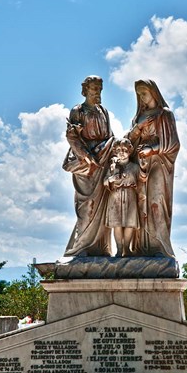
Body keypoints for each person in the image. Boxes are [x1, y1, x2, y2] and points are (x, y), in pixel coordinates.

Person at [126, 79, 180, 257]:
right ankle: (142, 248)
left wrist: (153, 149)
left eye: (144, 92)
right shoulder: (138, 117)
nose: (142, 97)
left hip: (158, 163)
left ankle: (160, 247)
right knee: (140, 202)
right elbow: (128, 143)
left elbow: (173, 144)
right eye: (139, 94)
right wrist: (137, 130)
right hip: (140, 164)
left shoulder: (165, 114)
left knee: (156, 202)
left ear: (154, 92)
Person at [62, 75, 114, 256]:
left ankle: (100, 248)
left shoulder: (103, 111)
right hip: (86, 164)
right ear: (85, 89)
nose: (97, 92)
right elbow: (72, 137)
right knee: (87, 207)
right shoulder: (78, 111)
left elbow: (110, 137)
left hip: (103, 160)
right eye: (94, 88)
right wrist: (86, 157)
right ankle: (80, 247)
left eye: (100, 89)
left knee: (103, 206)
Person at [103, 138, 147, 257]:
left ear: (129, 151)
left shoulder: (134, 167)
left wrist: (143, 167)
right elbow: (105, 181)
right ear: (115, 152)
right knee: (117, 224)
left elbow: (142, 179)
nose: (121, 152)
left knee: (130, 224)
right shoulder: (112, 167)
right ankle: (119, 249)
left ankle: (126, 249)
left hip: (130, 196)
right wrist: (112, 179)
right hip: (115, 196)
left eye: (124, 149)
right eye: (118, 150)